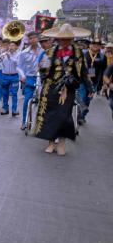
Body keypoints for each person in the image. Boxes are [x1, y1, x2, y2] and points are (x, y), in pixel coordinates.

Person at [34, 24, 93, 156]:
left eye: (68, 39)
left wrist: (89, 87)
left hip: (69, 89)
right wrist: (47, 78)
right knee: (50, 115)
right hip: (51, 89)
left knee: (64, 117)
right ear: (58, 39)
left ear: (72, 39)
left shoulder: (78, 54)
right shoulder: (49, 53)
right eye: (62, 39)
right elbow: (42, 71)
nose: (65, 41)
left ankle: (61, 142)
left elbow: (84, 72)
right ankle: (50, 142)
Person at [17, 32, 44, 130]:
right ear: (28, 40)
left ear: (38, 38)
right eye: (30, 38)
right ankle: (24, 121)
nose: (32, 40)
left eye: (34, 38)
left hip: (42, 77)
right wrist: (23, 76)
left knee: (45, 101)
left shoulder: (44, 50)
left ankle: (42, 124)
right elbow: (19, 67)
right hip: (29, 78)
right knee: (27, 100)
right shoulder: (24, 53)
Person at [78, 38, 107, 123]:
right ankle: (80, 116)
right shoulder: (83, 54)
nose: (95, 46)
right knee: (82, 98)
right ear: (90, 45)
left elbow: (104, 71)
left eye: (97, 45)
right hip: (83, 81)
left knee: (88, 100)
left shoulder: (102, 57)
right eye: (94, 44)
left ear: (100, 46)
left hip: (94, 82)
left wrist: (102, 84)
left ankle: (83, 114)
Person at [0, 39, 21, 117]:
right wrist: (0, 57)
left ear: (17, 47)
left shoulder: (19, 54)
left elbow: (18, 63)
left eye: (13, 45)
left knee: (14, 94)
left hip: (14, 76)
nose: (11, 47)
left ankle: (14, 110)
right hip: (5, 76)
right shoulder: (4, 54)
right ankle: (5, 109)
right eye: (10, 45)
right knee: (4, 93)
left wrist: (10, 57)